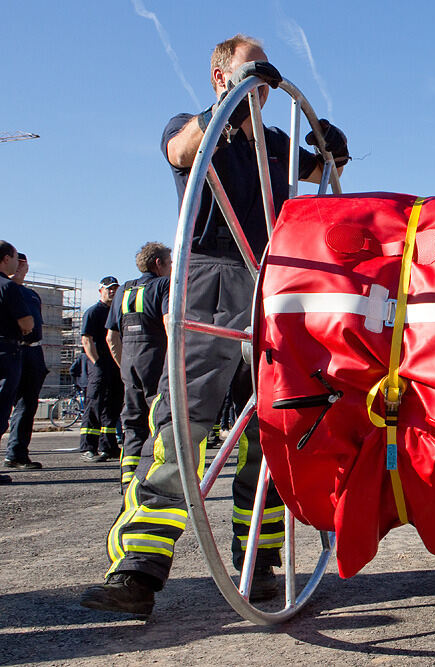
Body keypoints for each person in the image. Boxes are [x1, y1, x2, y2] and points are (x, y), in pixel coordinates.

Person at [81, 33, 350, 616]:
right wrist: (226, 108)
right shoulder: (194, 125)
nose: (265, 81)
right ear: (219, 76)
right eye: (253, 69)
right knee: (186, 417)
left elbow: (323, 182)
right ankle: (140, 567)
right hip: (210, 275)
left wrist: (334, 150)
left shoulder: (276, 146)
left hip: (273, 284)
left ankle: (262, 562)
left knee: (280, 421)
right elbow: (182, 151)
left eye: (268, 74)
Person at [105, 243, 171, 491]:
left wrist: (125, 367)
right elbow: (168, 323)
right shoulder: (163, 285)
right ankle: (152, 480)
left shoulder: (123, 289)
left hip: (129, 360)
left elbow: (111, 337)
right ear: (158, 264)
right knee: (160, 419)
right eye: (170, 262)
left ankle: (128, 480)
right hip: (155, 357)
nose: (172, 267)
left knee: (132, 422)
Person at [5, 253, 49, 469]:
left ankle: (17, 452)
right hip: (13, 349)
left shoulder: (32, 295)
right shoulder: (6, 290)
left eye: (25, 264)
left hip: (33, 352)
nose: (22, 267)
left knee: (27, 404)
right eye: (18, 262)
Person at [78, 277, 124, 462]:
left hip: (116, 366)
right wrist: (97, 363)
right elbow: (86, 340)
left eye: (115, 289)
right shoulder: (93, 312)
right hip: (100, 365)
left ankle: (109, 445)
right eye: (108, 289)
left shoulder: (117, 312)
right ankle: (88, 446)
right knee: (94, 404)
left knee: (113, 406)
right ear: (100, 291)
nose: (112, 292)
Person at [0, 241, 35, 485]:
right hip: (6, 352)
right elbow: (27, 324)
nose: (17, 262)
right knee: (1, 410)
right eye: (14, 257)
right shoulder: (8, 287)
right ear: (5, 259)